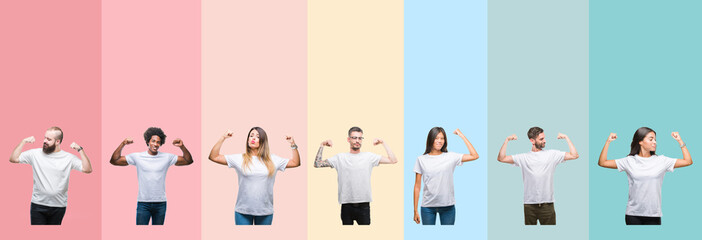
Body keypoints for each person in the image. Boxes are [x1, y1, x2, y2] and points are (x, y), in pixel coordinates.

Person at [598, 127, 692, 225]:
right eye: (651, 139)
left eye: (655, 139)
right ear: (640, 141)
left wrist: (680, 141)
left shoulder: (662, 161)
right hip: (633, 214)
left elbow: (688, 161)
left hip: (654, 215)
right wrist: (608, 141)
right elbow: (602, 162)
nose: (655, 142)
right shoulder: (629, 161)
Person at [208, 127, 300, 225]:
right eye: (251, 135)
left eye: (257, 136)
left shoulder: (273, 159)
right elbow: (214, 157)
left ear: (263, 141)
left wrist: (293, 144)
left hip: (265, 211)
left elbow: (295, 162)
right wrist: (223, 138)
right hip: (242, 211)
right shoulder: (239, 158)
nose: (253, 138)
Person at [314, 126, 398, 225]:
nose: (357, 140)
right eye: (354, 138)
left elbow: (393, 160)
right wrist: (322, 145)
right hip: (346, 205)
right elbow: (317, 164)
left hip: (364, 205)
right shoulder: (340, 158)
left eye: (359, 138)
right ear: (348, 139)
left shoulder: (369, 157)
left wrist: (383, 142)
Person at [9, 126, 93, 225]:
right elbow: (13, 159)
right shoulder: (35, 154)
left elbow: (87, 169)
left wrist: (80, 150)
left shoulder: (68, 158)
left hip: (59, 206)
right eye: (44, 138)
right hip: (38, 205)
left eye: (49, 139)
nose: (45, 141)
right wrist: (23, 141)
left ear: (57, 142)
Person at [110, 127, 193, 225]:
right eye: (153, 141)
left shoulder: (167, 157)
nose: (155, 144)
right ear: (148, 141)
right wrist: (123, 144)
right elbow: (114, 161)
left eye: (158, 142)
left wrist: (182, 146)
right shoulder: (138, 157)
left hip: (161, 203)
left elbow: (188, 161)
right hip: (143, 203)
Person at [496, 126, 579, 225]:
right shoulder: (523, 157)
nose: (545, 141)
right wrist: (507, 140)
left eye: (544, 138)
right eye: (541, 139)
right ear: (532, 140)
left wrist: (566, 137)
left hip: (547, 205)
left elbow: (574, 155)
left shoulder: (552, 154)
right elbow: (501, 158)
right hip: (529, 206)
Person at [413, 127, 479, 225]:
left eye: (442, 138)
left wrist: (461, 135)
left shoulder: (451, 156)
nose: (439, 141)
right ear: (431, 139)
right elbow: (417, 187)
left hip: (448, 206)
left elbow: (475, 155)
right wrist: (415, 210)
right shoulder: (421, 159)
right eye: (436, 138)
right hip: (427, 207)